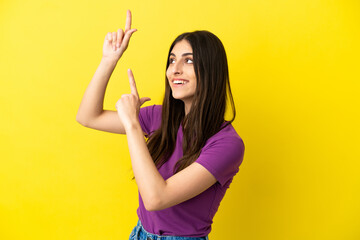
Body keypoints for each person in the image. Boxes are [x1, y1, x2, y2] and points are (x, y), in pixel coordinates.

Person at [76, 10, 245, 240]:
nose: (174, 69)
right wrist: (109, 60)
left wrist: (132, 124)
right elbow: (88, 116)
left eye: (188, 60)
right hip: (140, 234)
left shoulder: (227, 144)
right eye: (172, 60)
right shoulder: (160, 117)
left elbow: (157, 198)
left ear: (210, 71)